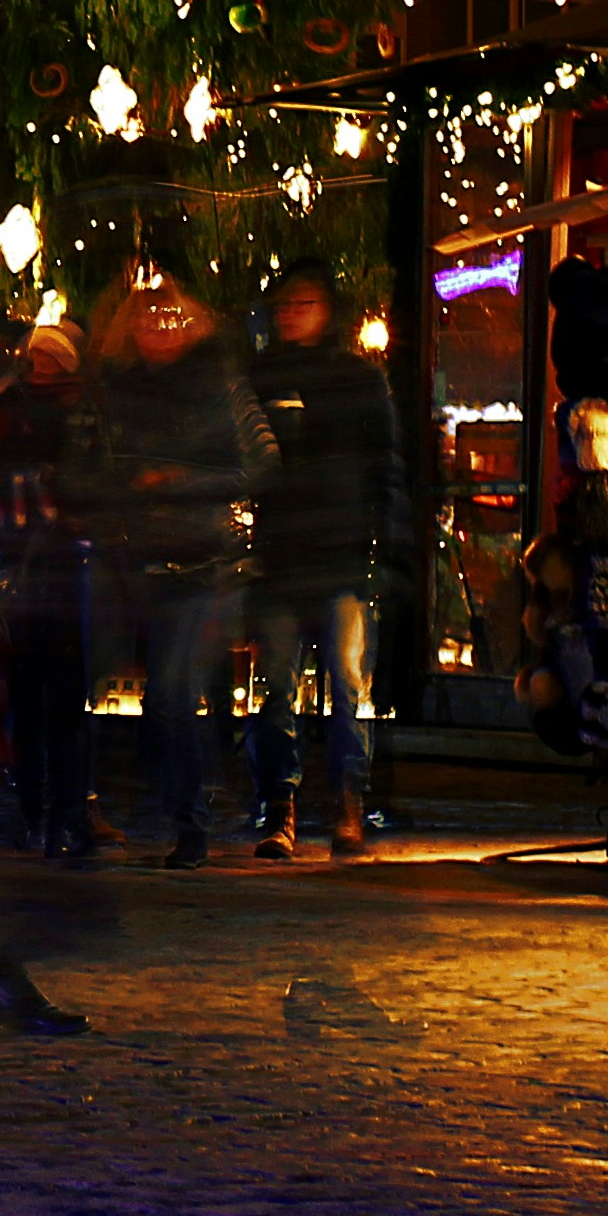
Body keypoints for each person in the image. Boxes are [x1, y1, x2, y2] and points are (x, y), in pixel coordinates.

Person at [69, 278, 268, 868]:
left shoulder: (219, 386)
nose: (157, 323)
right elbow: (81, 466)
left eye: (169, 314)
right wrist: (118, 490)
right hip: (131, 559)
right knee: (135, 689)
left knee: (175, 692)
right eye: (145, 314)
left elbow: (261, 463)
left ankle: (191, 822)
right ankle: (124, 807)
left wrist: (181, 483)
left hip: (202, 560)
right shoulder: (113, 391)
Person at [243, 268, 408, 859]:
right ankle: (279, 807)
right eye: (284, 304)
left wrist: (385, 549)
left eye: (304, 302)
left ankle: (346, 804)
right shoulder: (262, 378)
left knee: (346, 686)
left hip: (338, 556)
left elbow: (385, 465)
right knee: (279, 689)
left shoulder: (356, 380)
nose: (291, 314)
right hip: (285, 557)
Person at [0, 322, 96, 860]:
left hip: (67, 567)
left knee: (61, 699)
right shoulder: (12, 409)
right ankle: (37, 812)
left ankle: (62, 813)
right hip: (22, 569)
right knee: (30, 696)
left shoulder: (83, 410)